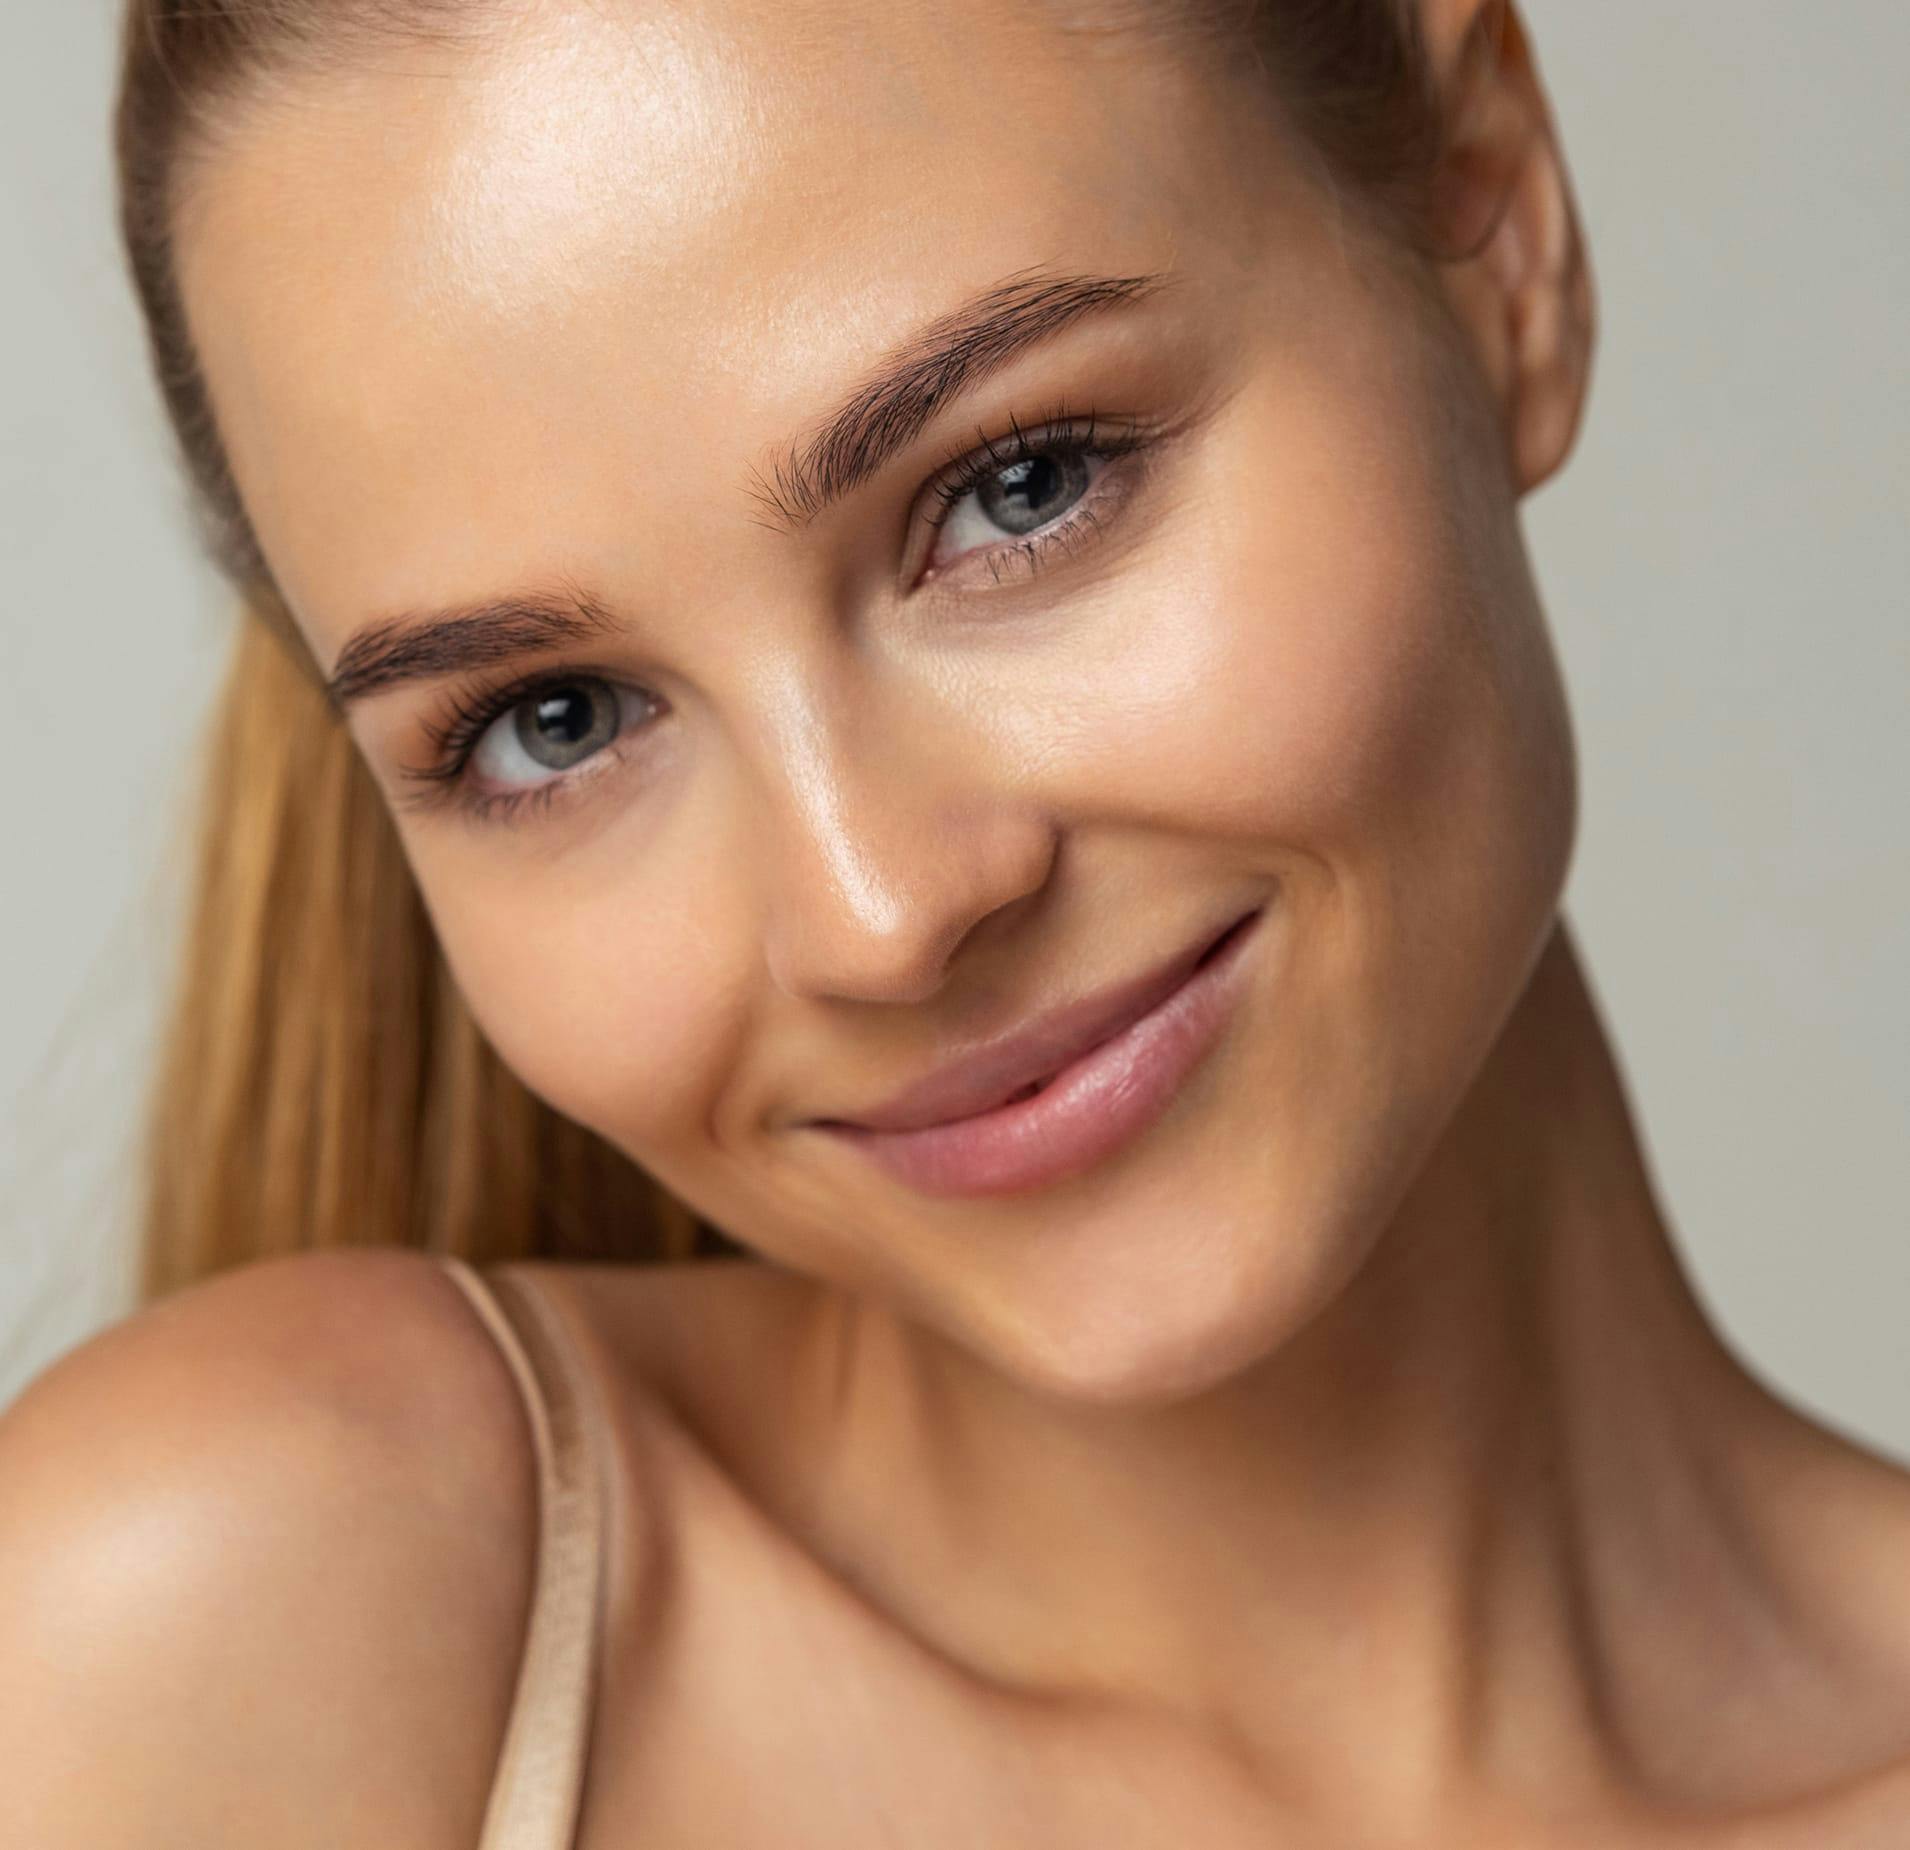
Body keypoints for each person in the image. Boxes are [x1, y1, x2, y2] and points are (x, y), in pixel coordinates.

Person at [2, 0, 1907, 1841]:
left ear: (1494, 229)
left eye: (1018, 487)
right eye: (551, 722)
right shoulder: (236, 1636)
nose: (878, 911)